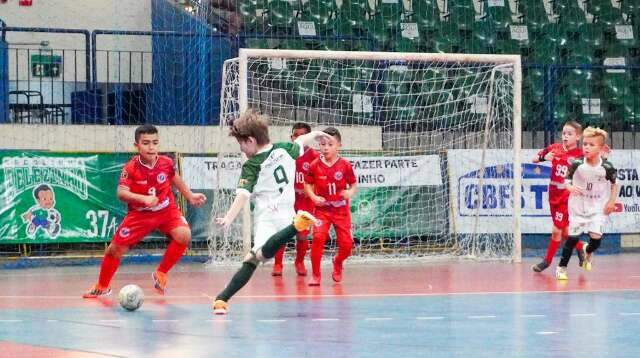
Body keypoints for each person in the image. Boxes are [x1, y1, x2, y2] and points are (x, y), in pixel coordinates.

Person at [212, 110, 329, 315]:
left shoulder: (252, 165)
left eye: (241, 143)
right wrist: (317, 134)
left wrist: (229, 218)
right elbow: (301, 140)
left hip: (267, 217)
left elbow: (242, 195)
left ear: (250, 140)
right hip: (287, 213)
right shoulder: (285, 148)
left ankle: (297, 226)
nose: (240, 148)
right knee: (252, 259)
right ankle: (222, 298)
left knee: (259, 256)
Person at [83, 125, 207, 298]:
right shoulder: (130, 168)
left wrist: (190, 195)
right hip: (140, 215)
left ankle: (161, 273)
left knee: (184, 235)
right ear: (137, 146)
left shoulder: (166, 162)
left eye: (155, 143)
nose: (151, 147)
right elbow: (121, 193)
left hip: (166, 210)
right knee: (114, 250)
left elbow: (173, 177)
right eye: (146, 143)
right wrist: (144, 199)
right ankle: (102, 286)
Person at [556, 127, 618, 280]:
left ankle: (587, 251)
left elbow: (615, 183)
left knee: (596, 240)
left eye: (591, 145)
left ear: (601, 149)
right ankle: (561, 267)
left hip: (597, 208)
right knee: (573, 238)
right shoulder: (577, 164)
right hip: (578, 207)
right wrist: (570, 187)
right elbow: (566, 180)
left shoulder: (607, 167)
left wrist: (611, 201)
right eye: (585, 144)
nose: (587, 147)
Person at [531, 121, 586, 272]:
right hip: (553, 193)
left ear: (578, 136)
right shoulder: (555, 148)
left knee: (556, 230)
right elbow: (533, 159)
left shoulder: (581, 155)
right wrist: (544, 158)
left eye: (569, 134)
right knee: (565, 232)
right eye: (564, 133)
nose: (565, 136)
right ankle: (581, 249)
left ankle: (547, 262)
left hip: (567, 197)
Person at [305, 127, 357, 286]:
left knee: (347, 246)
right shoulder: (314, 165)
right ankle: (315, 275)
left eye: (330, 144)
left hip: (341, 211)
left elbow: (353, 185)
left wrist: (349, 192)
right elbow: (307, 184)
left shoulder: (345, 165)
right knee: (318, 238)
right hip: (322, 210)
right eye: (322, 144)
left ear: (338, 145)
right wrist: (313, 197)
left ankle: (338, 261)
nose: (326, 147)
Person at [272, 122, 319, 277]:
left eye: (302, 135)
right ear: (291, 137)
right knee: (283, 233)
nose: (298, 137)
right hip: (287, 201)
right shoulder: (283, 155)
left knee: (302, 235)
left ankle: (299, 262)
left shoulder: (314, 157)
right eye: (295, 135)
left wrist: (310, 190)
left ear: (308, 138)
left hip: (305, 202)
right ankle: (278, 264)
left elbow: (320, 179)